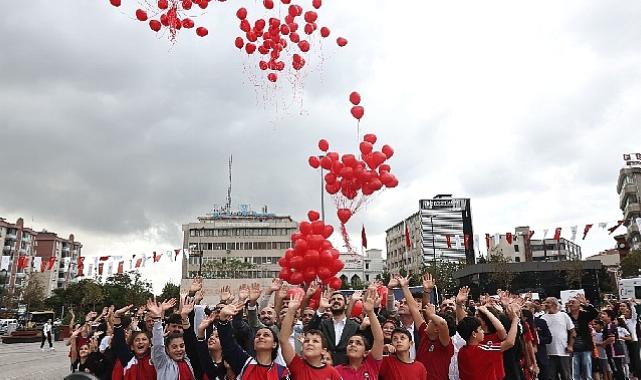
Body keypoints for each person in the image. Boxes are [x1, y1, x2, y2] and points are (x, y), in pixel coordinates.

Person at [215, 302, 289, 380]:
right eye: (257, 335)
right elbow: (228, 344)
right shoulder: (245, 363)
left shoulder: (282, 372)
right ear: (253, 344)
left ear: (274, 344)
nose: (261, 337)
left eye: (266, 335)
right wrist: (223, 319)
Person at [401, 273, 454, 380]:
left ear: (437, 329)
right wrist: (405, 287)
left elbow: (443, 324)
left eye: (431, 321)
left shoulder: (445, 344)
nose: (427, 322)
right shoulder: (425, 335)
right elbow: (414, 309)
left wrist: (431, 315)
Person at [279, 292, 342, 379]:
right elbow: (283, 340)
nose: (310, 343)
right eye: (307, 341)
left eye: (315, 341)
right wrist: (291, 310)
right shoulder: (297, 365)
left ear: (323, 351)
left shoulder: (332, 372)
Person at [456, 304, 519, 380]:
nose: (482, 331)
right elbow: (509, 342)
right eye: (480, 329)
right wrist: (515, 320)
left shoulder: (461, 352)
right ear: (474, 334)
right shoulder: (484, 350)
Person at [335, 286, 385, 380]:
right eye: (350, 343)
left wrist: (370, 312)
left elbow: (379, 339)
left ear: (366, 352)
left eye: (358, 343)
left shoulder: (371, 365)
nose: (353, 345)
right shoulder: (336, 371)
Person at [147, 297, 196, 380]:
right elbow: (158, 344)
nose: (179, 349)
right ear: (167, 350)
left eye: (182, 346)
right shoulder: (163, 362)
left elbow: (190, 339)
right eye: (174, 347)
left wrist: (184, 316)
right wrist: (157, 318)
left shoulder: (188, 361)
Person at [318, 291, 360, 365]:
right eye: (333, 299)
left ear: (346, 305)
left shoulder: (355, 326)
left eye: (339, 299)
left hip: (346, 368)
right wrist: (320, 309)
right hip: (325, 368)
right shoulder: (323, 324)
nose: (336, 301)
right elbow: (309, 330)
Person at [542, 297, 576, 380]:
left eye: (548, 303)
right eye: (545, 303)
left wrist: (570, 345)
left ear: (554, 304)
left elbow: (573, 332)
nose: (545, 304)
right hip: (549, 353)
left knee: (566, 376)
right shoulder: (542, 318)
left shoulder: (563, 315)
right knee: (551, 377)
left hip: (563, 351)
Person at [567, 294, 598, 380]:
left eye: (573, 302)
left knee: (587, 370)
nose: (571, 304)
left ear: (579, 304)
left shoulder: (584, 314)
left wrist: (586, 304)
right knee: (575, 372)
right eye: (569, 303)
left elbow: (595, 313)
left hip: (585, 346)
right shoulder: (566, 316)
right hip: (573, 347)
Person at [601, 309, 626, 380]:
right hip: (613, 351)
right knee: (617, 369)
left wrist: (603, 343)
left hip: (613, 351)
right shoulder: (608, 325)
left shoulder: (610, 325)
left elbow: (612, 338)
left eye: (604, 314)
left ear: (609, 317)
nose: (601, 315)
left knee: (616, 369)